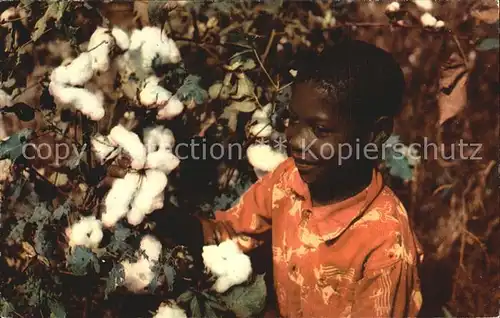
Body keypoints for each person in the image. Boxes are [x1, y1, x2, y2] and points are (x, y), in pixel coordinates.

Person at [158, 39, 423, 318]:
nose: (296, 141)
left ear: (375, 134)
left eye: (320, 129)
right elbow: (229, 236)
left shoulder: (386, 248)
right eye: (293, 120)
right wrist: (156, 212)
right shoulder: (290, 179)